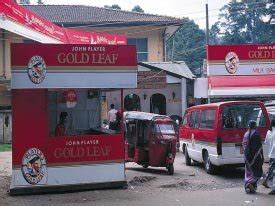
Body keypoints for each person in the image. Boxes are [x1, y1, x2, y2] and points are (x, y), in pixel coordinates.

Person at [243, 120, 264, 194]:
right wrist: (262, 156)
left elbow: (244, 146)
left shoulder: (246, 134)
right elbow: (258, 148)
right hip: (255, 157)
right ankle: (250, 183)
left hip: (247, 157)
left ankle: (249, 186)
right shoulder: (256, 134)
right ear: (255, 126)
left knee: (248, 172)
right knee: (257, 172)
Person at [262, 119, 275, 195]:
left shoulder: (269, 132)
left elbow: (266, 142)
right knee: (273, 171)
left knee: (271, 169)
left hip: (271, 154)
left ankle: (265, 181)